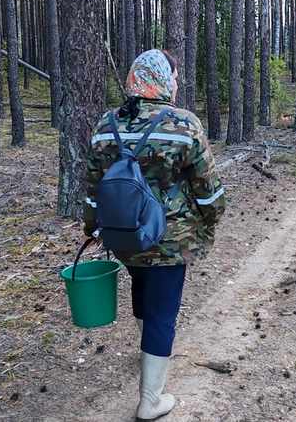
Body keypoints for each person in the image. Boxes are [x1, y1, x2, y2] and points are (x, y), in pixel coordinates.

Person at [83, 49, 226, 421]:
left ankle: (149, 353)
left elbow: (93, 188)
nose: (176, 84)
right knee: (163, 312)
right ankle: (151, 400)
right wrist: (211, 220)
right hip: (169, 239)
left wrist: (92, 226)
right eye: (174, 77)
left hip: (124, 235)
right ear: (163, 79)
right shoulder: (183, 124)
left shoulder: (106, 124)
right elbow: (208, 191)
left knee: (142, 286)